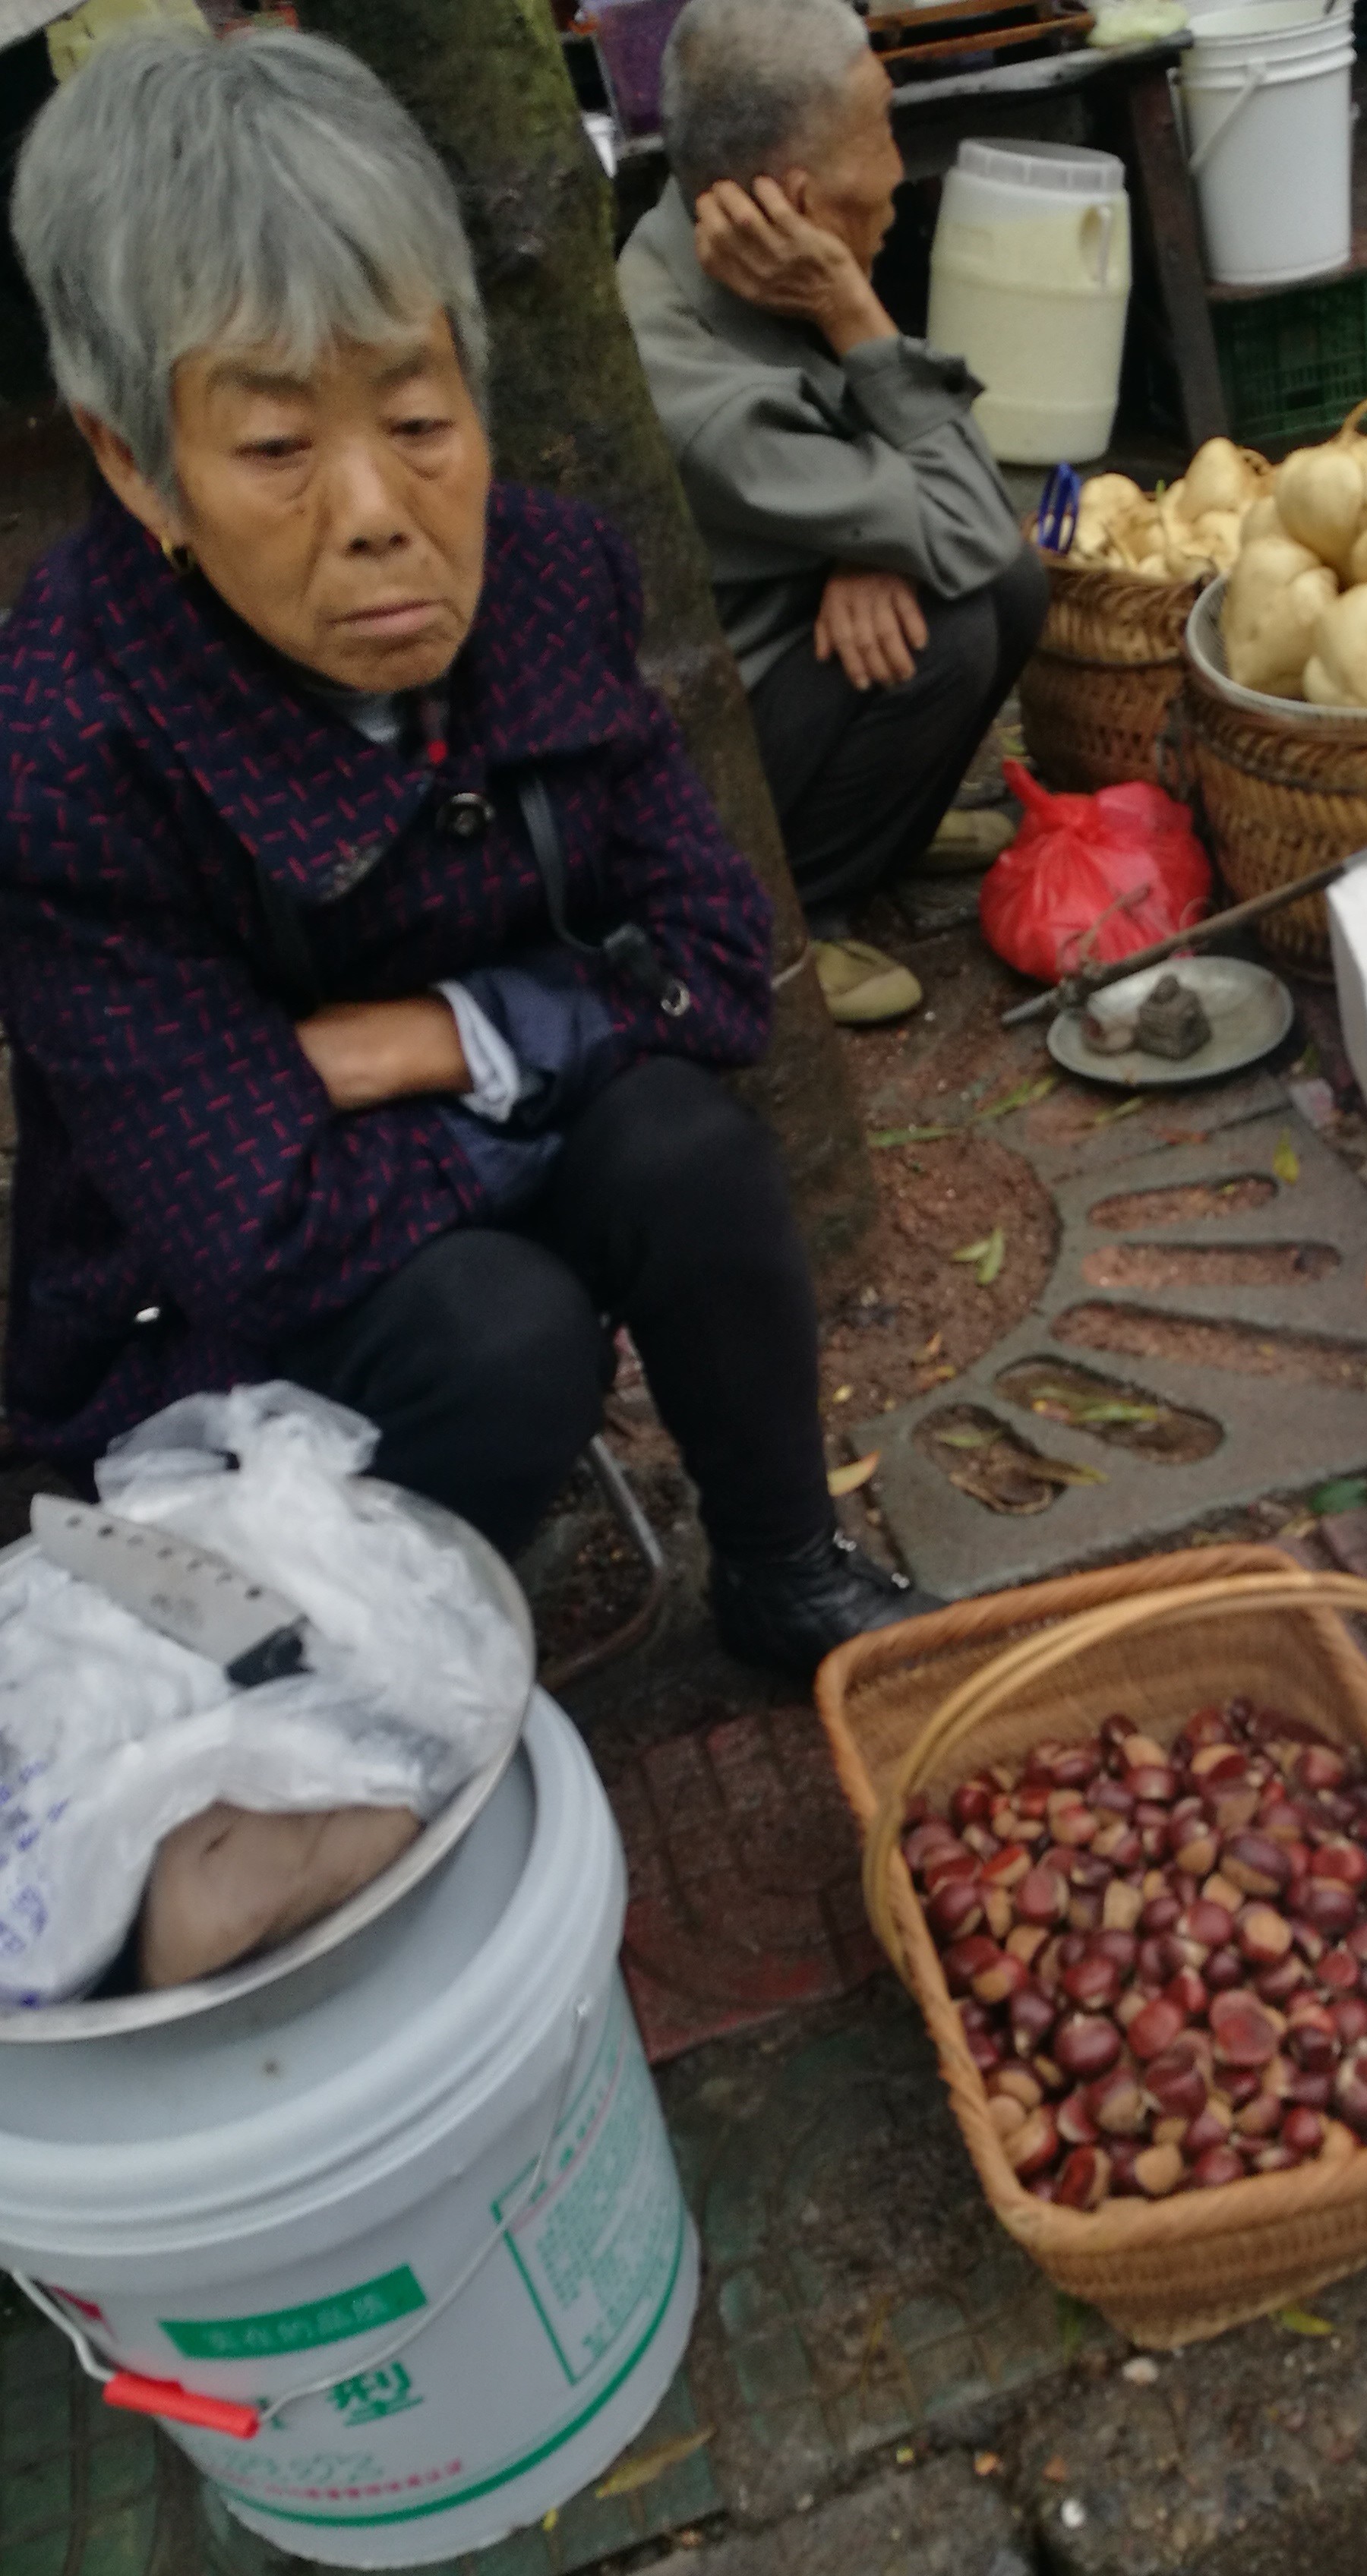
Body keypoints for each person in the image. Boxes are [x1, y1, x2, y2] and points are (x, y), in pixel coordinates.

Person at [0, 27, 933, 1680]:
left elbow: (721, 963)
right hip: (201, 1319)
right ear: (136, 463)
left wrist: (455, 1039)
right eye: (277, 450)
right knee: (504, 1337)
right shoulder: (68, 744)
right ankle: (366, 1675)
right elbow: (257, 1231)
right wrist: (566, 1037)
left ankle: (790, 1577)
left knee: (687, 1152)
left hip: (428, 1151)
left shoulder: (552, 577)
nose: (375, 510)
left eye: (420, 418)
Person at [619, 0, 1048, 1028]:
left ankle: (892, 831)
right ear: (797, 201)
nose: (900, 172)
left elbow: (968, 521)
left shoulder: (723, 246)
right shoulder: (694, 385)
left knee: (1011, 585)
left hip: (772, 619)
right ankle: (794, 909)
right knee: (945, 628)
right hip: (695, 750)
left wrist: (869, 540)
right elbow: (975, 512)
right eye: (884, 136)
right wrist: (856, 312)